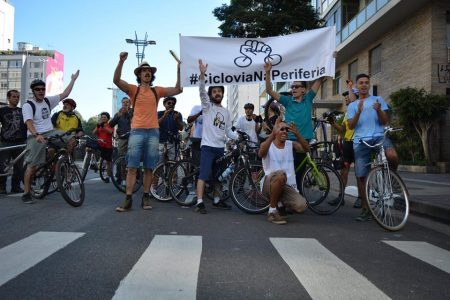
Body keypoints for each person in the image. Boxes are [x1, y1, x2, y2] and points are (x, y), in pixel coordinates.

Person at [113, 52, 182, 212]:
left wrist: (179, 69)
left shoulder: (156, 91)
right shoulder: (133, 90)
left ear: (151, 75)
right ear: (139, 74)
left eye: (149, 70)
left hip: (153, 132)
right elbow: (116, 80)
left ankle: (145, 197)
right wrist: (121, 62)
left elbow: (178, 89)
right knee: (132, 166)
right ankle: (128, 199)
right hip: (136, 131)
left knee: (149, 167)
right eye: (144, 70)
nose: (147, 72)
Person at [264, 61, 327, 187]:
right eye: (292, 87)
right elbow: (269, 90)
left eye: (297, 86)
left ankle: (295, 197)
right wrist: (268, 72)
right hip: (288, 141)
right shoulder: (287, 101)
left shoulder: (308, 99)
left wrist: (329, 60)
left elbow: (320, 79)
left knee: (299, 174)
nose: (293, 89)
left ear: (304, 89)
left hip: (304, 140)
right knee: (285, 172)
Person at [347, 73, 399, 221]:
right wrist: (358, 112)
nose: (364, 85)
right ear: (356, 86)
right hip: (361, 141)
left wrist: (378, 110)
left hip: (378, 136)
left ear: (369, 85)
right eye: (361, 83)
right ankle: (365, 208)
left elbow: (384, 121)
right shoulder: (352, 105)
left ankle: (392, 178)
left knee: (392, 156)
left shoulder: (378, 100)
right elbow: (351, 126)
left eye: (366, 82)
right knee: (361, 175)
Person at [21, 71, 80, 204]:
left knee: (71, 139)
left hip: (50, 132)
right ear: (33, 91)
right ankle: (26, 193)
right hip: (35, 135)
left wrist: (73, 80)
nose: (41, 91)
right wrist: (36, 135)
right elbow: (29, 122)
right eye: (38, 89)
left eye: (43, 89)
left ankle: (66, 162)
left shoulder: (48, 101)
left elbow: (65, 94)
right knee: (33, 166)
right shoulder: (28, 105)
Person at [195, 59, 239, 214]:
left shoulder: (227, 112)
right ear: (211, 95)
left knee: (218, 177)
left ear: (222, 93)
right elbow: (201, 91)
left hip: (220, 148)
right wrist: (202, 74)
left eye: (219, 91)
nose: (217, 93)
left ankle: (216, 200)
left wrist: (238, 136)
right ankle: (200, 202)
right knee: (204, 174)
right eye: (214, 91)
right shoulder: (207, 107)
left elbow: (228, 131)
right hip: (207, 147)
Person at [259, 120, 309, 224]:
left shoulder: (291, 144)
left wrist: (297, 134)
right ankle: (272, 212)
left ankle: (280, 203)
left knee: (301, 206)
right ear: (276, 131)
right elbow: (261, 154)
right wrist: (272, 135)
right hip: (269, 183)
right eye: (281, 129)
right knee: (281, 174)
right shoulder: (268, 144)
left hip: (286, 186)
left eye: (287, 129)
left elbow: (306, 149)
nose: (285, 131)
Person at [328, 82, 361, 208]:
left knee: (359, 172)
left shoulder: (359, 108)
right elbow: (342, 129)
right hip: (347, 144)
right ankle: (340, 197)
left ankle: (360, 198)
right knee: (344, 171)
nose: (346, 97)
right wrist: (333, 123)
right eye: (345, 95)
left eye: (348, 94)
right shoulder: (347, 112)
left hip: (358, 143)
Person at [0, 90, 27, 194]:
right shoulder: (2, 111)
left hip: (20, 142)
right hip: (5, 142)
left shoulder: (23, 111)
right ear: (8, 98)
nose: (16, 98)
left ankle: (15, 187)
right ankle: (2, 187)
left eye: (18, 97)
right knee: (3, 166)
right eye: (14, 96)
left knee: (19, 167)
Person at [157, 96, 183, 161]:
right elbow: (155, 125)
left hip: (172, 142)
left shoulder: (178, 114)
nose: (171, 104)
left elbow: (181, 128)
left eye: (173, 103)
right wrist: (164, 116)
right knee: (159, 163)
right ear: (164, 105)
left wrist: (176, 120)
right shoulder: (159, 113)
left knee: (172, 163)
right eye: (169, 103)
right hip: (161, 141)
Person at [92, 112, 113, 183]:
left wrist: (103, 126)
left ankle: (107, 176)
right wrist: (98, 126)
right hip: (100, 144)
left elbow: (110, 132)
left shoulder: (109, 125)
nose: (103, 118)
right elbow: (93, 133)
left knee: (108, 162)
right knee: (90, 147)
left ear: (108, 118)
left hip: (107, 145)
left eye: (105, 117)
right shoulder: (99, 125)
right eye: (102, 117)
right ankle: (93, 163)